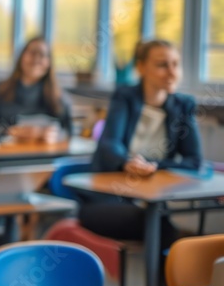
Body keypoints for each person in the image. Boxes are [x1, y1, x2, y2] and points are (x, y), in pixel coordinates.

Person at [81, 39, 202, 255]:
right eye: (162, 65)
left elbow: (194, 160)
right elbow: (110, 144)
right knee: (162, 229)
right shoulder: (124, 97)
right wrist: (128, 163)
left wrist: (153, 166)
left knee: (164, 227)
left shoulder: (184, 105)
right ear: (141, 67)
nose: (172, 72)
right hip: (108, 198)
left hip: (152, 197)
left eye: (176, 64)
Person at [0, 37, 71, 141]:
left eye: (42, 55)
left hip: (45, 155)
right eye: (32, 53)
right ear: (21, 57)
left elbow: (69, 132)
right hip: (4, 154)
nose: (36, 60)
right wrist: (9, 131)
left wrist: (56, 135)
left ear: (49, 62)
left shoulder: (60, 98)